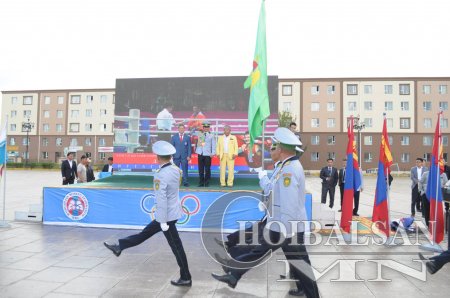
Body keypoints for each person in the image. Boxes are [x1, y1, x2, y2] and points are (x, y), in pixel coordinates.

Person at [211, 127, 320, 298]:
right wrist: (262, 176)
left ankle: (234, 274)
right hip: (281, 224)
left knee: (299, 264)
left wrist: (285, 230)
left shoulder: (290, 170)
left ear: (282, 150)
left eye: (274, 147)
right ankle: (234, 274)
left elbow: (290, 205)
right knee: (265, 252)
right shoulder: (283, 167)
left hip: (286, 227)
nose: (271, 149)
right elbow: (270, 189)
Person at [104, 141, 192, 287]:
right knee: (146, 234)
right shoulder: (176, 170)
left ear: (158, 158)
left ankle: (186, 277)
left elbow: (162, 198)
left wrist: (163, 221)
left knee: (176, 246)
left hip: (166, 217)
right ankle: (120, 246)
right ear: (170, 157)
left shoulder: (161, 175)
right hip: (172, 213)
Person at [195, 122, 216, 187]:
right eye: (205, 127)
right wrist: (198, 128)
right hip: (200, 153)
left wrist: (213, 153)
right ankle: (201, 182)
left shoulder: (211, 135)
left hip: (207, 154)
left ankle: (207, 182)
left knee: (207, 169)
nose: (206, 128)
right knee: (200, 169)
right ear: (203, 128)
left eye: (207, 127)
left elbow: (213, 145)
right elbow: (192, 132)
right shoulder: (199, 134)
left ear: (209, 128)